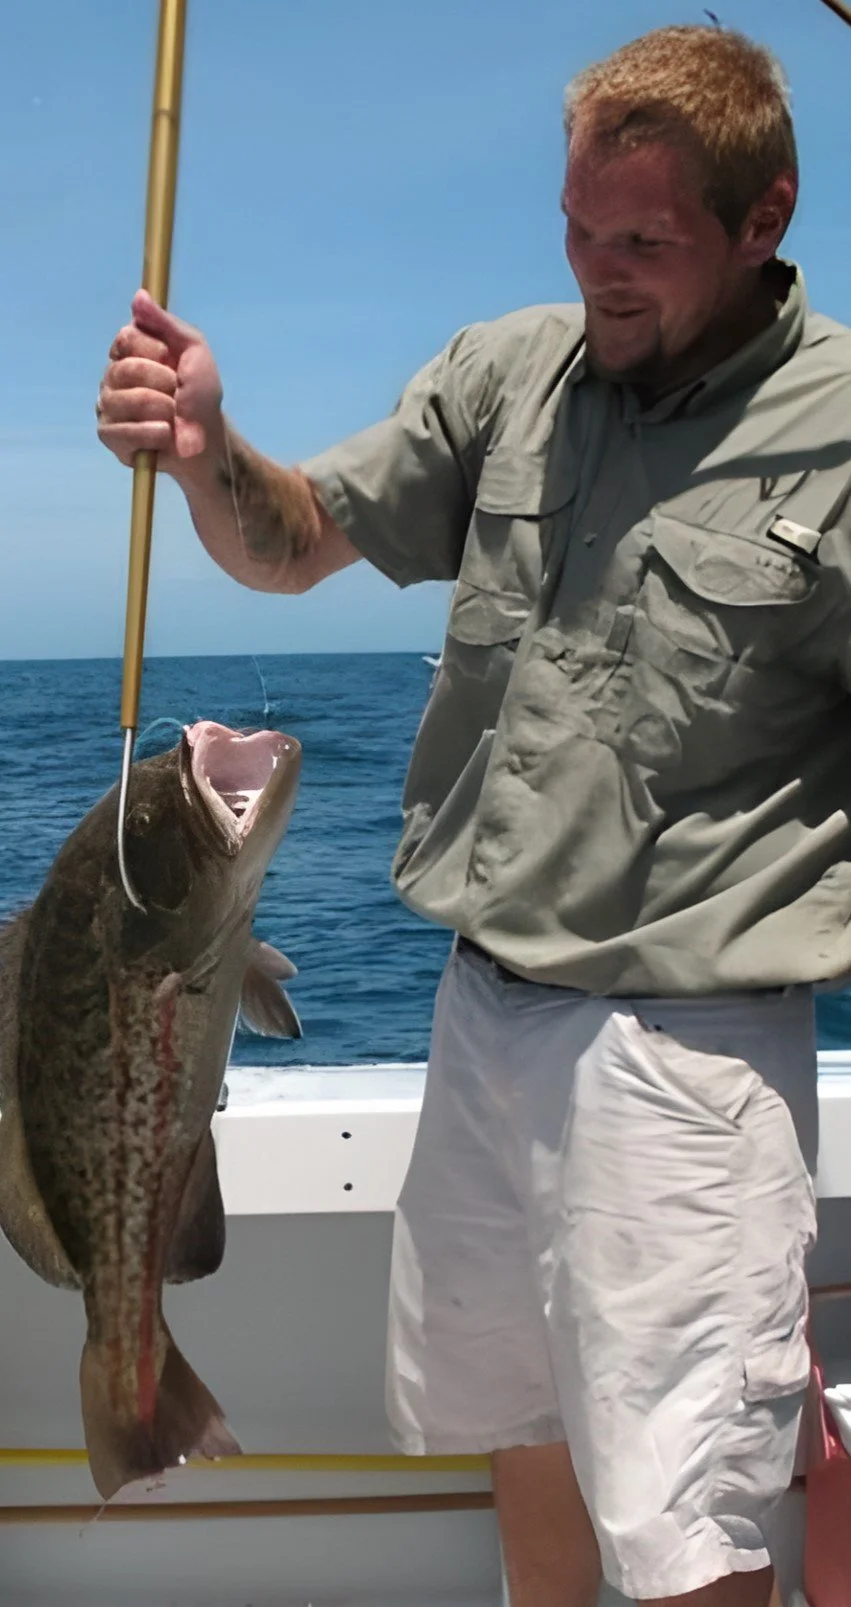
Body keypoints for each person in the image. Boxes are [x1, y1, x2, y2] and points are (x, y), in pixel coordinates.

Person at [97, 23, 851, 1607]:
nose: (598, 273)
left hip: (688, 1061)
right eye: (577, 229)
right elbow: (292, 538)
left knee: (688, 1517)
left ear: (762, 217)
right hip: (481, 1016)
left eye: (642, 241)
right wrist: (202, 442)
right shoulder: (510, 375)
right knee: (513, 1424)